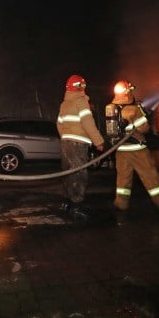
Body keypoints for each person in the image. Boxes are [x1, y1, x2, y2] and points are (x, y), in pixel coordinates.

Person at [110, 80, 159, 213]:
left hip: (121, 149)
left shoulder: (111, 108)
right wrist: (143, 115)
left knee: (123, 179)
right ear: (128, 93)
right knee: (150, 176)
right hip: (137, 149)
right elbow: (144, 129)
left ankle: (121, 203)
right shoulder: (134, 109)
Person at [56, 74, 105, 221]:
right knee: (79, 174)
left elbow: (59, 123)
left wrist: (65, 136)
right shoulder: (81, 101)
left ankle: (66, 202)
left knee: (67, 172)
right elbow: (88, 123)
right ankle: (76, 207)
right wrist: (99, 141)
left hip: (66, 143)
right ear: (81, 87)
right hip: (78, 144)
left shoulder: (64, 104)